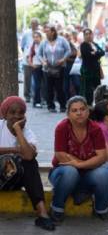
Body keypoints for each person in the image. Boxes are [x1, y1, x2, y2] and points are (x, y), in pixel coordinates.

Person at [49, 96, 108, 222]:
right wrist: (83, 164)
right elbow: (60, 154)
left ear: (88, 112)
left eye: (82, 109)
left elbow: (102, 157)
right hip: (62, 174)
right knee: (70, 172)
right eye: (74, 110)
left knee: (104, 174)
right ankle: (57, 208)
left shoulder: (95, 128)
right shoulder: (62, 127)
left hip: (87, 173)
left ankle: (101, 209)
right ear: (68, 114)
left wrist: (79, 164)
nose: (79, 113)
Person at [0, 96, 55, 231]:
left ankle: (42, 214)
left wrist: (18, 130)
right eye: (12, 113)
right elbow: (23, 152)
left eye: (20, 113)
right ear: (5, 115)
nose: (16, 116)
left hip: (15, 180)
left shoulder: (28, 133)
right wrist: (16, 150)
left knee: (30, 163)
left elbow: (29, 155)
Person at [39, 25, 71, 113]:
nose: (46, 33)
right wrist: (43, 61)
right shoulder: (44, 42)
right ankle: (51, 106)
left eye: (48, 31)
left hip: (59, 67)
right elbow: (39, 54)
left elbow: (68, 50)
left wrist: (63, 59)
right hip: (48, 68)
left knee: (59, 87)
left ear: (53, 32)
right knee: (49, 87)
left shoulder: (61, 40)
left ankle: (62, 106)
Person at [80, 28, 105, 105]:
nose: (88, 36)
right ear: (84, 36)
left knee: (98, 88)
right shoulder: (83, 45)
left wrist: (95, 53)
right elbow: (88, 55)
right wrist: (96, 53)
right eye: (86, 34)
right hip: (87, 70)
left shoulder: (95, 44)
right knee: (88, 90)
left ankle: (99, 104)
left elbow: (103, 52)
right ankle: (89, 105)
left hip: (96, 70)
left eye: (90, 34)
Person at [21, 18, 39, 103]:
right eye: (32, 23)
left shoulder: (40, 33)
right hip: (27, 60)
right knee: (27, 79)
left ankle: (37, 96)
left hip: (37, 61)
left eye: (36, 23)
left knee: (38, 79)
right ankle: (27, 96)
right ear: (31, 24)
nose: (34, 25)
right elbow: (22, 46)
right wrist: (27, 54)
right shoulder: (26, 33)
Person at [28, 31, 43, 108]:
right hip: (36, 67)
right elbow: (29, 56)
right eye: (34, 37)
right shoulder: (32, 46)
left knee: (44, 85)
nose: (35, 38)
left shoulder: (43, 45)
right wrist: (32, 65)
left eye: (37, 37)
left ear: (40, 38)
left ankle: (43, 100)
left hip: (43, 67)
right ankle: (36, 101)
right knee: (36, 85)